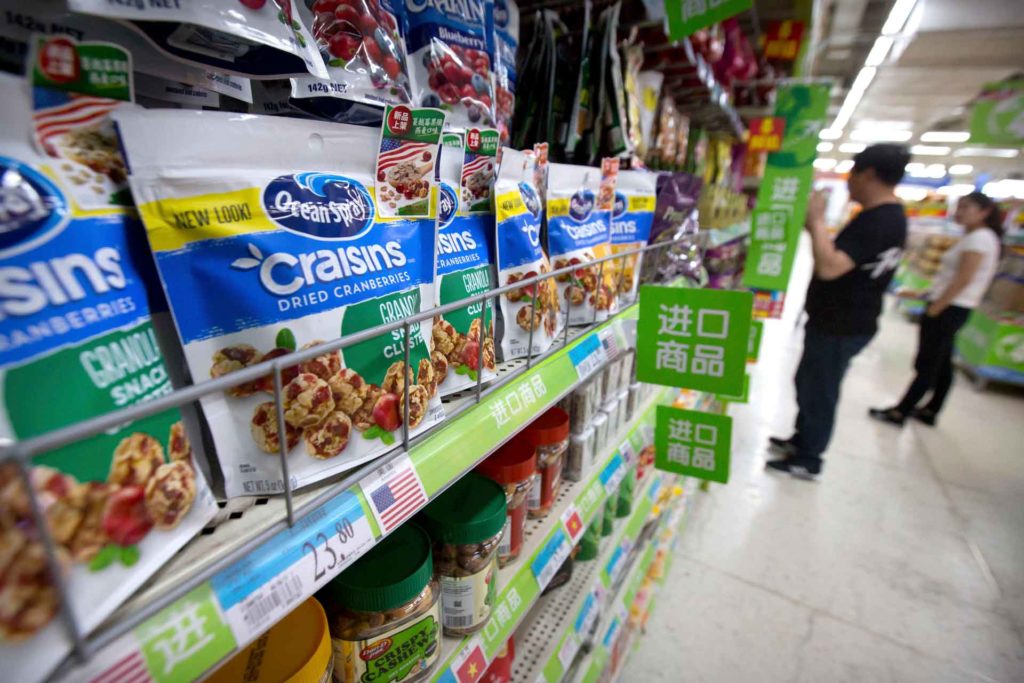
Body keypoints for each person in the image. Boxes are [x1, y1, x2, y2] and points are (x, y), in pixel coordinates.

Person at [767, 144, 910, 480]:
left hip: (842, 323)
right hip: (841, 320)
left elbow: (831, 267)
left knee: (820, 389)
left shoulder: (878, 221)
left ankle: (809, 457)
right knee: (809, 381)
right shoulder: (888, 218)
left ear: (870, 174)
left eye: (853, 173)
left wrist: (817, 220)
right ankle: (803, 440)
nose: (849, 181)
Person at [869, 192, 1003, 426]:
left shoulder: (979, 239)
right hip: (953, 306)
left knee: (927, 363)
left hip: (949, 308)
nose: (959, 212)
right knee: (942, 362)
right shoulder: (977, 236)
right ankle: (932, 409)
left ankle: (902, 411)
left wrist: (936, 308)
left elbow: (964, 279)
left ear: (985, 212)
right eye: (958, 207)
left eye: (967, 208)